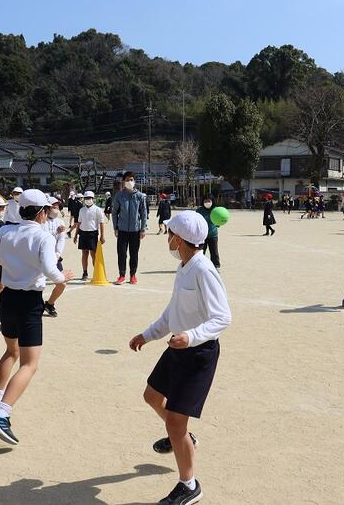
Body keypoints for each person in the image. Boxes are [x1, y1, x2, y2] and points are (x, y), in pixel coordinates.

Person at [128, 210, 232, 505]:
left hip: (198, 354)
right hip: (178, 348)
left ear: (180, 239)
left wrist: (191, 336)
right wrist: (147, 335)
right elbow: (172, 311)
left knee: (174, 422)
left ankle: (189, 486)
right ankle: (184, 436)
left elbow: (223, 317)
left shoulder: (203, 270)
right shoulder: (184, 267)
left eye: (170, 233)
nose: (168, 238)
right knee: (151, 396)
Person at [0, 189, 73, 445]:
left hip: (7, 298)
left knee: (11, 352)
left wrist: (5, 260)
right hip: (30, 301)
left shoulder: (6, 231)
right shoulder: (43, 236)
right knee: (30, 364)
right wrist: (64, 277)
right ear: (41, 212)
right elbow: (51, 271)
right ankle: (2, 412)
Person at [112, 171, 148, 285]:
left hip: (135, 231)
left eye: (131, 179)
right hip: (122, 230)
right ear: (123, 181)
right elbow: (114, 212)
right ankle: (122, 275)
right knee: (121, 254)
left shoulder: (139, 196)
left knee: (134, 254)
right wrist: (115, 227)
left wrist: (143, 229)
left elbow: (143, 213)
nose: (129, 182)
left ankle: (133, 275)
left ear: (135, 181)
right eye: (127, 180)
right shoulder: (119, 195)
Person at [72, 191, 106, 281]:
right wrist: (75, 235)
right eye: (86, 198)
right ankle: (85, 272)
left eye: (90, 198)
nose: (88, 200)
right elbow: (79, 223)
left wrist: (102, 236)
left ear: (93, 199)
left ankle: (96, 272)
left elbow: (101, 223)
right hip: (83, 233)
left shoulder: (97, 209)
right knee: (84, 254)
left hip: (93, 233)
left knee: (93, 254)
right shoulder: (82, 210)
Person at [43, 196, 67, 317]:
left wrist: (57, 254)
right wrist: (55, 232)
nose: (56, 209)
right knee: (37, 283)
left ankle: (49, 303)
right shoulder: (41, 220)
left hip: (55, 257)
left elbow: (61, 240)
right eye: (53, 207)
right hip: (41, 257)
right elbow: (42, 236)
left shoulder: (60, 222)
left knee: (62, 283)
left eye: (57, 207)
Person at [195, 195, 221, 269]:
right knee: (200, 252)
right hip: (202, 235)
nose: (207, 202)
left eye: (209, 201)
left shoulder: (216, 210)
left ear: (212, 201)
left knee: (214, 251)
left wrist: (218, 223)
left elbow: (219, 222)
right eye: (205, 201)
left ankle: (216, 266)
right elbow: (195, 221)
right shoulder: (199, 211)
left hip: (213, 235)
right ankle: (198, 266)